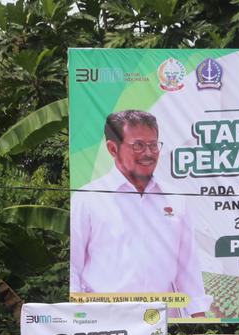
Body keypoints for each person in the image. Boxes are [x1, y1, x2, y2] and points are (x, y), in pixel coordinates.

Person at [70, 109, 213, 319]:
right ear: (112, 148)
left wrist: (199, 318)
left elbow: (187, 265)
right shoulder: (88, 199)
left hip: (164, 323)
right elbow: (74, 266)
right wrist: (78, 318)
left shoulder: (175, 198)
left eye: (153, 145)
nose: (148, 153)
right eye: (138, 145)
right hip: (106, 323)